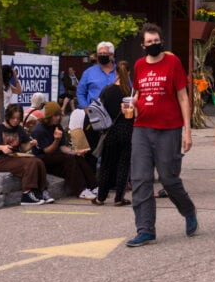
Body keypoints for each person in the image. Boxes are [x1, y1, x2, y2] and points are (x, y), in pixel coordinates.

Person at [126, 23, 198, 247]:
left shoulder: (172, 62)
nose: (154, 45)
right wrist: (132, 105)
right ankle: (145, 229)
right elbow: (138, 92)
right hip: (142, 127)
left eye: (156, 41)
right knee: (140, 179)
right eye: (149, 42)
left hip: (169, 128)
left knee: (168, 179)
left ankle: (188, 209)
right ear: (142, 45)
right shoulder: (139, 65)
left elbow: (183, 97)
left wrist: (187, 131)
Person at [0, 104, 52, 205]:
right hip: (2, 160)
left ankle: (41, 191)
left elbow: (23, 148)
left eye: (18, 118)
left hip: (16, 157)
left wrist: (31, 144)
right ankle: (26, 194)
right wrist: (2, 147)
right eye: (13, 118)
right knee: (30, 164)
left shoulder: (19, 129)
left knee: (38, 161)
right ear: (8, 117)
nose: (15, 121)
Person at [31, 102, 98, 199]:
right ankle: (81, 190)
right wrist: (56, 140)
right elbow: (47, 151)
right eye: (55, 115)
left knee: (77, 157)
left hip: (56, 155)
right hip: (43, 158)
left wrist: (76, 152)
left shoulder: (57, 126)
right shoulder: (39, 130)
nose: (58, 118)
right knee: (69, 160)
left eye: (59, 115)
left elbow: (62, 147)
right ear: (49, 116)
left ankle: (94, 186)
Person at [94, 61, 134, 206]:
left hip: (110, 130)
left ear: (115, 73)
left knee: (106, 164)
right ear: (128, 73)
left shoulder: (107, 90)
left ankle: (101, 197)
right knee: (124, 164)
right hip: (127, 130)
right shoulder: (131, 92)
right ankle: (119, 197)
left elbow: (99, 108)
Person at [77, 41, 119, 150]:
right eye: (99, 54)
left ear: (112, 55)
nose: (102, 56)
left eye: (105, 54)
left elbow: (129, 90)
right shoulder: (89, 72)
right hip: (93, 116)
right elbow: (80, 92)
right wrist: (85, 108)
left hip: (115, 117)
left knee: (112, 149)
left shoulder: (120, 72)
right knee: (91, 149)